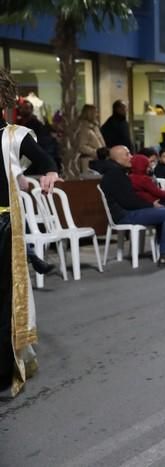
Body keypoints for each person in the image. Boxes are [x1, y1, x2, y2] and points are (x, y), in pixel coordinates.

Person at [0, 68, 62, 396]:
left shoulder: (14, 135)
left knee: (7, 297)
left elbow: (45, 159)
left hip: (4, 226)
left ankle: (6, 366)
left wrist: (49, 173)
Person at [100, 146, 165, 266]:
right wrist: (151, 205)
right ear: (118, 158)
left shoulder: (118, 172)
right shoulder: (115, 174)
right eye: (127, 154)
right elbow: (128, 202)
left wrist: (151, 204)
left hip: (128, 211)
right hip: (124, 215)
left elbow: (131, 198)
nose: (131, 157)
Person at [16, 100, 61, 173]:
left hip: (32, 157)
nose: (23, 110)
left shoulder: (37, 124)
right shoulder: (17, 124)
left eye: (26, 108)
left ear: (31, 110)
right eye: (21, 108)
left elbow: (41, 142)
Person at [75, 104, 106, 174]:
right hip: (88, 162)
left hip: (97, 160)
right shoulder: (84, 128)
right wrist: (96, 152)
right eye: (96, 112)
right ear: (90, 113)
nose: (97, 115)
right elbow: (81, 146)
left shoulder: (94, 127)